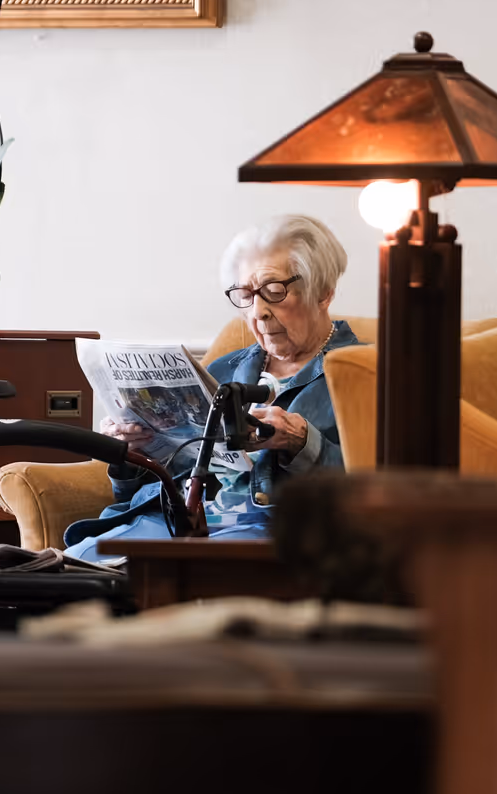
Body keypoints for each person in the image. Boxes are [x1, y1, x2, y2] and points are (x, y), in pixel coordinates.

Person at [63, 214, 360, 562]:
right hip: (180, 522)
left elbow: (384, 488)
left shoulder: (362, 372)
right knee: (68, 567)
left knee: (143, 574)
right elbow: (155, 486)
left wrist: (302, 441)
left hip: (275, 530)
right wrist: (130, 453)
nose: (258, 312)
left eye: (274, 290)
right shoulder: (222, 370)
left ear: (323, 292)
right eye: (246, 295)